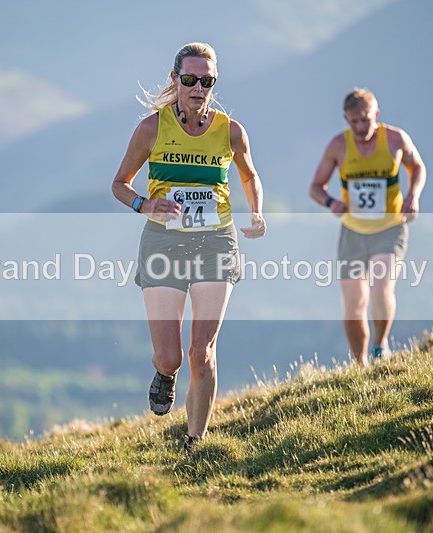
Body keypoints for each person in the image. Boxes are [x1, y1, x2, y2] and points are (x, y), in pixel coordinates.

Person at [112, 42, 266, 448]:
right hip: (163, 242)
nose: (199, 87)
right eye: (191, 79)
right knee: (173, 357)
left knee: (203, 351)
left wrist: (256, 212)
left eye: (207, 81)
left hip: (216, 241)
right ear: (175, 79)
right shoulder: (151, 128)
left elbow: (249, 176)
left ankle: (195, 442)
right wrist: (145, 205)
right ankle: (164, 373)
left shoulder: (230, 130)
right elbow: (119, 185)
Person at [309, 88, 426, 367]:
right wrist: (331, 202)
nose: (361, 127)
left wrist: (413, 196)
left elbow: (417, 167)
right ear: (346, 119)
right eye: (354, 121)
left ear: (376, 114)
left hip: (390, 227)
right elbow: (315, 187)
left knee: (380, 288)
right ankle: (359, 363)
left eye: (366, 119)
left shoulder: (396, 139)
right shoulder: (338, 146)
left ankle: (379, 344)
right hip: (353, 232)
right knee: (353, 304)